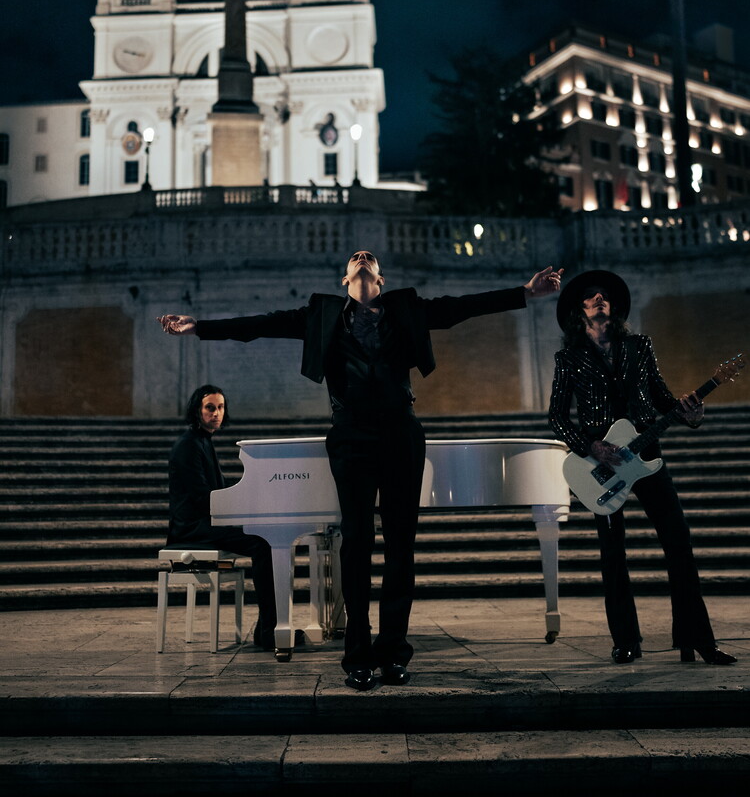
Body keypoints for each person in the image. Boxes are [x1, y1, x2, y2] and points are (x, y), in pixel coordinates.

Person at [159, 253, 562, 689]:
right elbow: (259, 325)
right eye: (356, 259)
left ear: (380, 279)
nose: (362, 258)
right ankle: (357, 654)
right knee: (356, 542)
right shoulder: (322, 313)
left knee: (401, 543)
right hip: (350, 433)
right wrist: (200, 326)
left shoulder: (406, 308)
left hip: (401, 432)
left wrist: (525, 293)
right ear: (346, 277)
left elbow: (461, 307)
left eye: (369, 259)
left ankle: (394, 653)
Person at [548, 270, 736, 666]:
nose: (600, 298)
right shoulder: (569, 358)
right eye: (591, 296)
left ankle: (697, 638)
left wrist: (693, 413)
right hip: (602, 464)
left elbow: (665, 400)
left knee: (679, 543)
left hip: (646, 455)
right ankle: (626, 641)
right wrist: (590, 446)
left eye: (605, 296)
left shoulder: (639, 346)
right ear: (579, 310)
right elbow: (557, 418)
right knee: (613, 553)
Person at [166, 384, 277, 650]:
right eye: (210, 408)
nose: (217, 413)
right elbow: (202, 497)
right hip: (191, 528)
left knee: (265, 538)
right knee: (261, 543)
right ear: (197, 410)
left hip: (206, 522)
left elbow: (217, 491)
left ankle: (269, 628)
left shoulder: (202, 441)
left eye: (221, 407)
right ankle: (269, 631)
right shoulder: (189, 445)